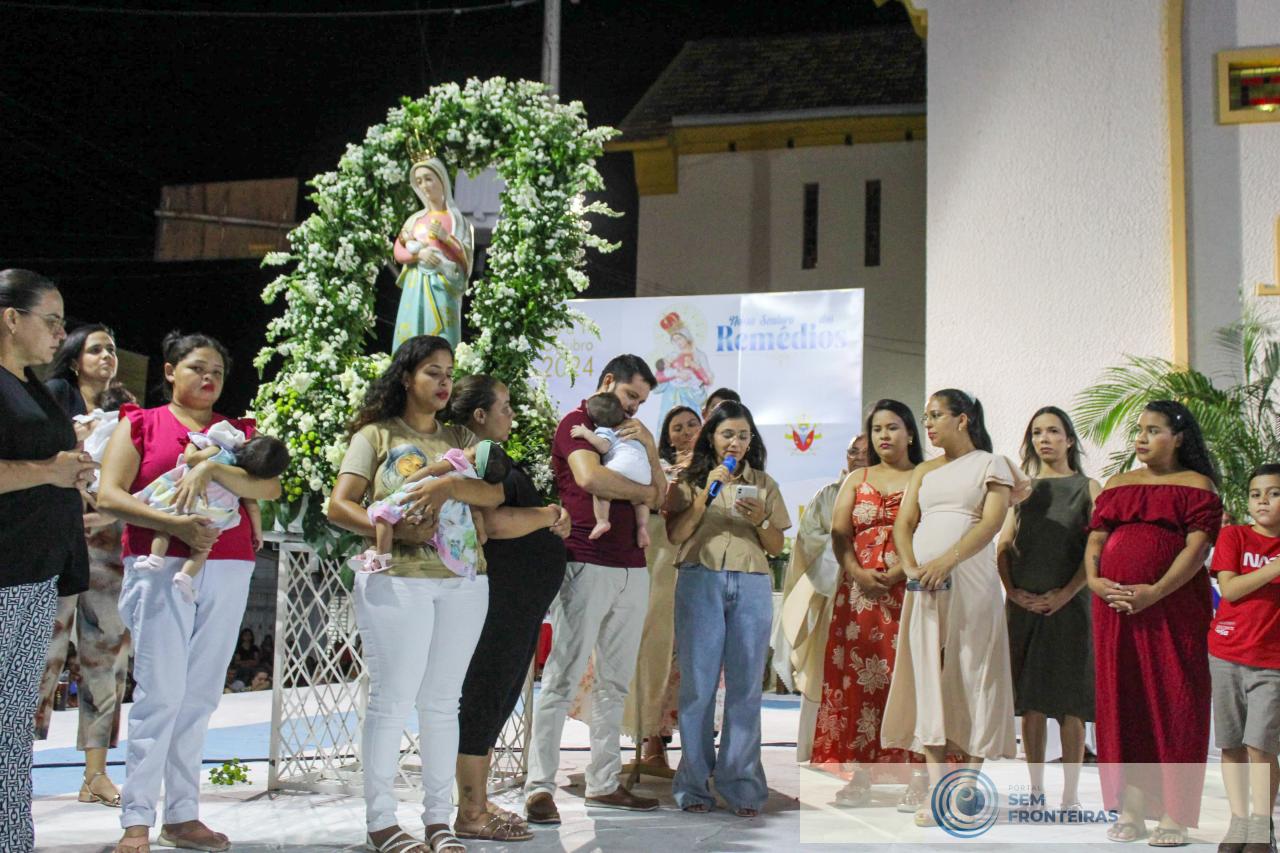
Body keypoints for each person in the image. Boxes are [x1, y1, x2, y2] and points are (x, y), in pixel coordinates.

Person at [98, 330, 282, 853]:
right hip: (161, 564)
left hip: (228, 563)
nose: (209, 378)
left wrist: (216, 467)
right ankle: (136, 818)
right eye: (198, 368)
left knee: (200, 695)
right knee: (160, 692)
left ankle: (182, 814)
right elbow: (110, 494)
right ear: (170, 371)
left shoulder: (238, 431)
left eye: (218, 372)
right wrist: (171, 524)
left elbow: (268, 486)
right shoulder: (140, 424)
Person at [327, 335, 502, 853]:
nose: (444, 381)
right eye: (432, 371)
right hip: (397, 578)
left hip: (464, 582)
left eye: (449, 373)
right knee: (393, 699)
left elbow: (492, 493)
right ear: (406, 377)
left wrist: (448, 486)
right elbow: (339, 507)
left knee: (444, 703)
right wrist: (397, 533)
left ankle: (437, 821)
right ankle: (381, 821)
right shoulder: (376, 435)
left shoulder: (459, 437)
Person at [524, 354, 666, 825]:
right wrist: (642, 491)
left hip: (634, 564)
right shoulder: (575, 422)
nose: (633, 410)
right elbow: (590, 477)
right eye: (630, 397)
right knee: (562, 676)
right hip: (585, 559)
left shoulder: (635, 432)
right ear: (608, 382)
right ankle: (538, 787)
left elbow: (661, 494)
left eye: (642, 403)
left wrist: (647, 445)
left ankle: (604, 782)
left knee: (615, 683)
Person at [881, 389, 1029, 827]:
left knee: (974, 670)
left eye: (935, 416)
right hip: (922, 584)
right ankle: (936, 784)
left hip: (971, 579)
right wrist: (912, 566)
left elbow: (992, 521)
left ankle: (968, 784)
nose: (927, 424)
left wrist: (948, 559)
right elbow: (904, 524)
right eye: (925, 416)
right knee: (925, 671)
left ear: (962, 420)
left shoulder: (991, 463)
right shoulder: (925, 471)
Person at [1084, 400, 1220, 846]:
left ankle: (1174, 816)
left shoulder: (1198, 486)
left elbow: (1196, 551)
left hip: (1172, 609)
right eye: (1138, 430)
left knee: (1176, 702)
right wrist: (1096, 581)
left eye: (1153, 430)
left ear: (1179, 437)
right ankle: (1131, 809)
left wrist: (1154, 592)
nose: (1141, 438)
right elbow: (1097, 539)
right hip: (1116, 609)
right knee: (1124, 702)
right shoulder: (1119, 484)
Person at [448, 375, 572, 842]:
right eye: (504, 406)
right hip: (499, 597)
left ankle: (474, 799)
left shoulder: (490, 456)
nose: (512, 414)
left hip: (519, 601)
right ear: (479, 414)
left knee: (498, 696)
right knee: (484, 695)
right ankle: (470, 810)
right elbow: (492, 524)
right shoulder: (474, 457)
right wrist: (549, 516)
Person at [0, 269, 94, 852]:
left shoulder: (32, 386)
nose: (61, 333)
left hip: (34, 573)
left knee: (13, 728)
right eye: (52, 320)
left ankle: (14, 837)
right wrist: (48, 472)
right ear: (11, 318)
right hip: (7, 576)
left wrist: (72, 474)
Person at [664, 400, 790, 816]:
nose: (735, 442)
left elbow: (776, 547)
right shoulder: (688, 481)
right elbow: (677, 534)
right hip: (701, 579)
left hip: (752, 583)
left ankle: (742, 786)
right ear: (712, 439)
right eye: (727, 434)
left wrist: (759, 520)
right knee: (698, 687)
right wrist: (704, 494)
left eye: (743, 435)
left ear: (751, 440)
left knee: (746, 688)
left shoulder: (765, 483)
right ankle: (694, 786)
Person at [33, 322, 133, 812]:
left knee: (106, 656)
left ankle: (96, 774)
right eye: (96, 349)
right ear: (74, 358)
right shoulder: (53, 396)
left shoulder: (127, 408)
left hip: (109, 546)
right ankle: (15, 765)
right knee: (42, 655)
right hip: (58, 537)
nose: (107, 356)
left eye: (112, 349)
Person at [810, 401, 927, 810]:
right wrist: (858, 573)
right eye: (877, 429)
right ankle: (859, 776)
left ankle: (920, 776)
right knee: (858, 684)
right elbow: (840, 534)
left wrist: (900, 573)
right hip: (858, 599)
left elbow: (933, 531)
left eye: (892, 427)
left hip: (908, 595)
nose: (883, 436)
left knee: (909, 681)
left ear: (910, 433)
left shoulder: (925, 477)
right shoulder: (856, 478)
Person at [996, 407, 1099, 812]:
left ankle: (1070, 794)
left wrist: (1066, 594)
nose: (1045, 439)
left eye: (1053, 431)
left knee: (1070, 701)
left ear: (1069, 439)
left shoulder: (1088, 486)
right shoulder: (1021, 489)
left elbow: (1097, 551)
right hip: (1023, 604)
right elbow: (1004, 545)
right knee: (1032, 700)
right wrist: (1014, 591)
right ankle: (1035, 790)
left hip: (1070, 606)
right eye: (1037, 432)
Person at [624, 404, 701, 773]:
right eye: (676, 427)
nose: (685, 432)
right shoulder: (657, 468)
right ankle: (646, 744)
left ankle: (684, 750)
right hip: (655, 562)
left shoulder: (717, 471)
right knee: (651, 645)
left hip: (696, 566)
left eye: (691, 425)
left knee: (681, 654)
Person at [132, 424, 288, 603]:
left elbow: (191, 459)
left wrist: (190, 444)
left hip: (189, 499)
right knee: (202, 549)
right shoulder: (242, 477)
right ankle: (185, 576)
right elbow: (252, 505)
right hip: (216, 513)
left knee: (166, 527)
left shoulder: (218, 452)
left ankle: (155, 557)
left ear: (246, 443)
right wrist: (258, 534)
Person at [1210, 464, 1280, 852]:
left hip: (1272, 662)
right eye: (1256, 494)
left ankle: (1260, 825)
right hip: (1225, 653)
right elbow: (1231, 589)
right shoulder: (1234, 536)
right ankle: (1237, 822)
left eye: (1273, 493)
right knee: (1232, 744)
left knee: (1261, 745)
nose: (1263, 500)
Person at [355, 440, 509, 578]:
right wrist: (481, 535)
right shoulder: (474, 481)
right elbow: (476, 514)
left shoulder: (458, 459)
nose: (466, 449)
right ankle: (376, 551)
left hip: (424, 495)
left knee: (384, 514)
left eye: (470, 449)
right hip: (446, 512)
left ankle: (382, 555)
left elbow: (431, 471)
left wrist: (408, 484)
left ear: (475, 461)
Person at [392, 157, 475, 350]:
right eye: (419, 181)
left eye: (428, 178)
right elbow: (398, 250)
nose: (424, 186)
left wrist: (446, 238)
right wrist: (418, 256)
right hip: (415, 285)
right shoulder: (415, 219)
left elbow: (465, 259)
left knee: (441, 338)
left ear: (442, 180)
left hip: (442, 285)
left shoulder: (457, 220)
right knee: (412, 334)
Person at [572, 392, 653, 547]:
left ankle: (602, 521)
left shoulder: (604, 429)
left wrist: (586, 433)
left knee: (602, 490)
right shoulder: (632, 426)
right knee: (640, 502)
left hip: (622, 467)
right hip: (644, 474)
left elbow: (604, 446)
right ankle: (642, 527)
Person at [653, 311, 714, 420]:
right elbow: (656, 386)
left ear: (687, 337)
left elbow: (707, 381)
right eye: (674, 340)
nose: (678, 342)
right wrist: (673, 375)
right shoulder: (670, 356)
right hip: (670, 399)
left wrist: (693, 375)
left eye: (680, 338)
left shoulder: (700, 356)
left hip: (690, 400)